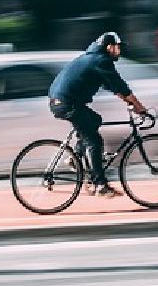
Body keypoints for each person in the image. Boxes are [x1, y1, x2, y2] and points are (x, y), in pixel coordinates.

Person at [48, 32, 149, 198]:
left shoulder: (93, 58)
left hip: (62, 101)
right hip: (66, 104)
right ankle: (100, 184)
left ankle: (76, 158)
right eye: (118, 47)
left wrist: (130, 102)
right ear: (109, 47)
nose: (119, 51)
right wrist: (139, 107)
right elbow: (120, 86)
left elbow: (114, 88)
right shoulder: (101, 60)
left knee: (95, 120)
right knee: (95, 140)